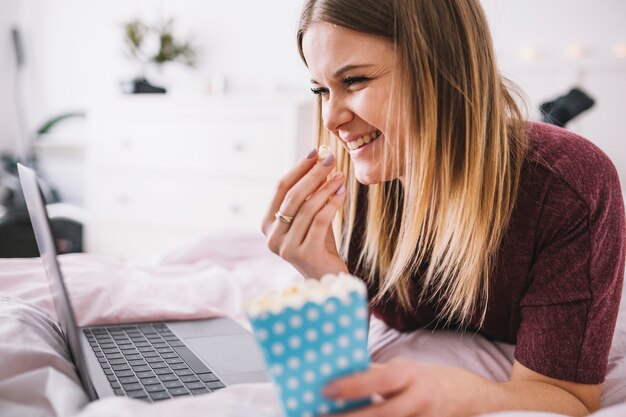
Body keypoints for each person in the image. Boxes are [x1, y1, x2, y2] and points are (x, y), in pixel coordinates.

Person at [261, 0, 625, 415]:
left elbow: (567, 396)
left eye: (356, 80)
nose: (330, 119)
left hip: (521, 161)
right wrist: (325, 280)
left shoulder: (568, 186)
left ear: (442, 66)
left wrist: (467, 395)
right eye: (320, 90)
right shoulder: (365, 172)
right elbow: (338, 379)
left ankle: (555, 113)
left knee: (543, 136)